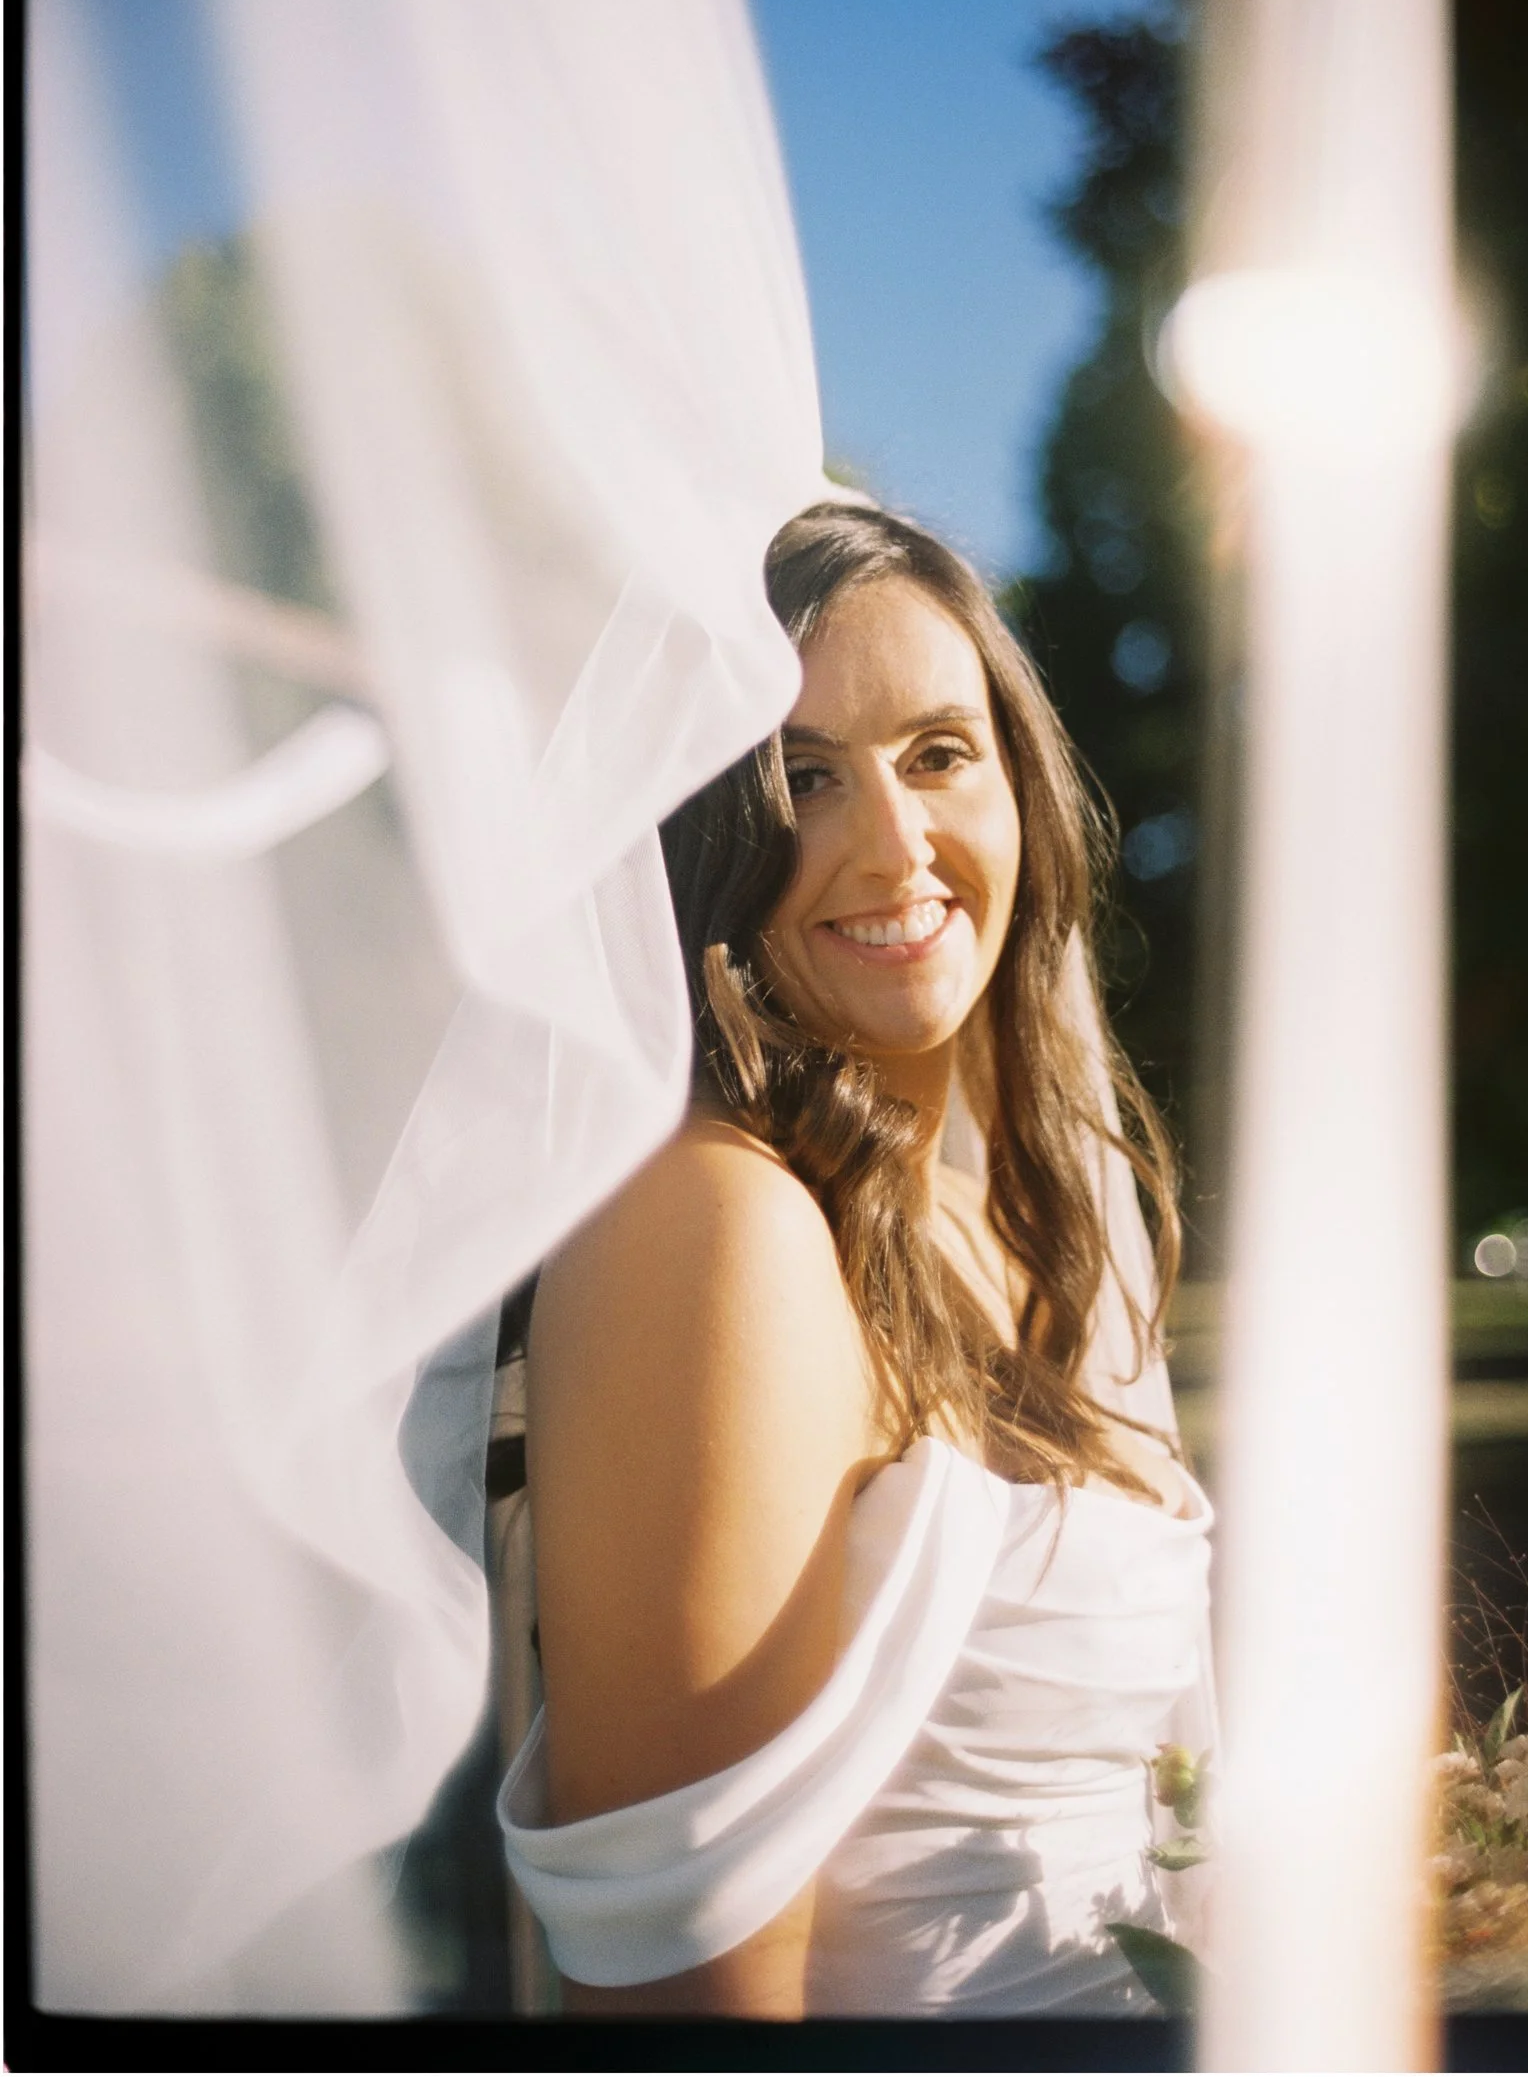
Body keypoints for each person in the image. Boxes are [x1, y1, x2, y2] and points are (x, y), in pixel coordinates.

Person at [498, 500, 1213, 2018]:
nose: (896, 845)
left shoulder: (1042, 1219)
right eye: (801, 778)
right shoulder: (716, 1226)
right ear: (699, 834)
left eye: (939, 754)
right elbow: (686, 2007)